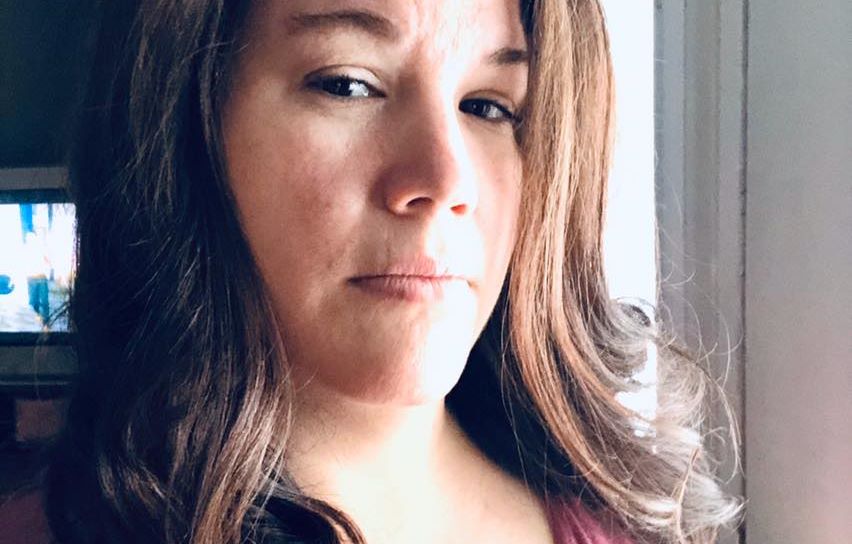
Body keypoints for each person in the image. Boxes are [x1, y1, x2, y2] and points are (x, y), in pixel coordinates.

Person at [0, 0, 744, 542]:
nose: (445, 180)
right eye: (348, 84)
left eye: (487, 106)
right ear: (187, 126)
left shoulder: (630, 529)